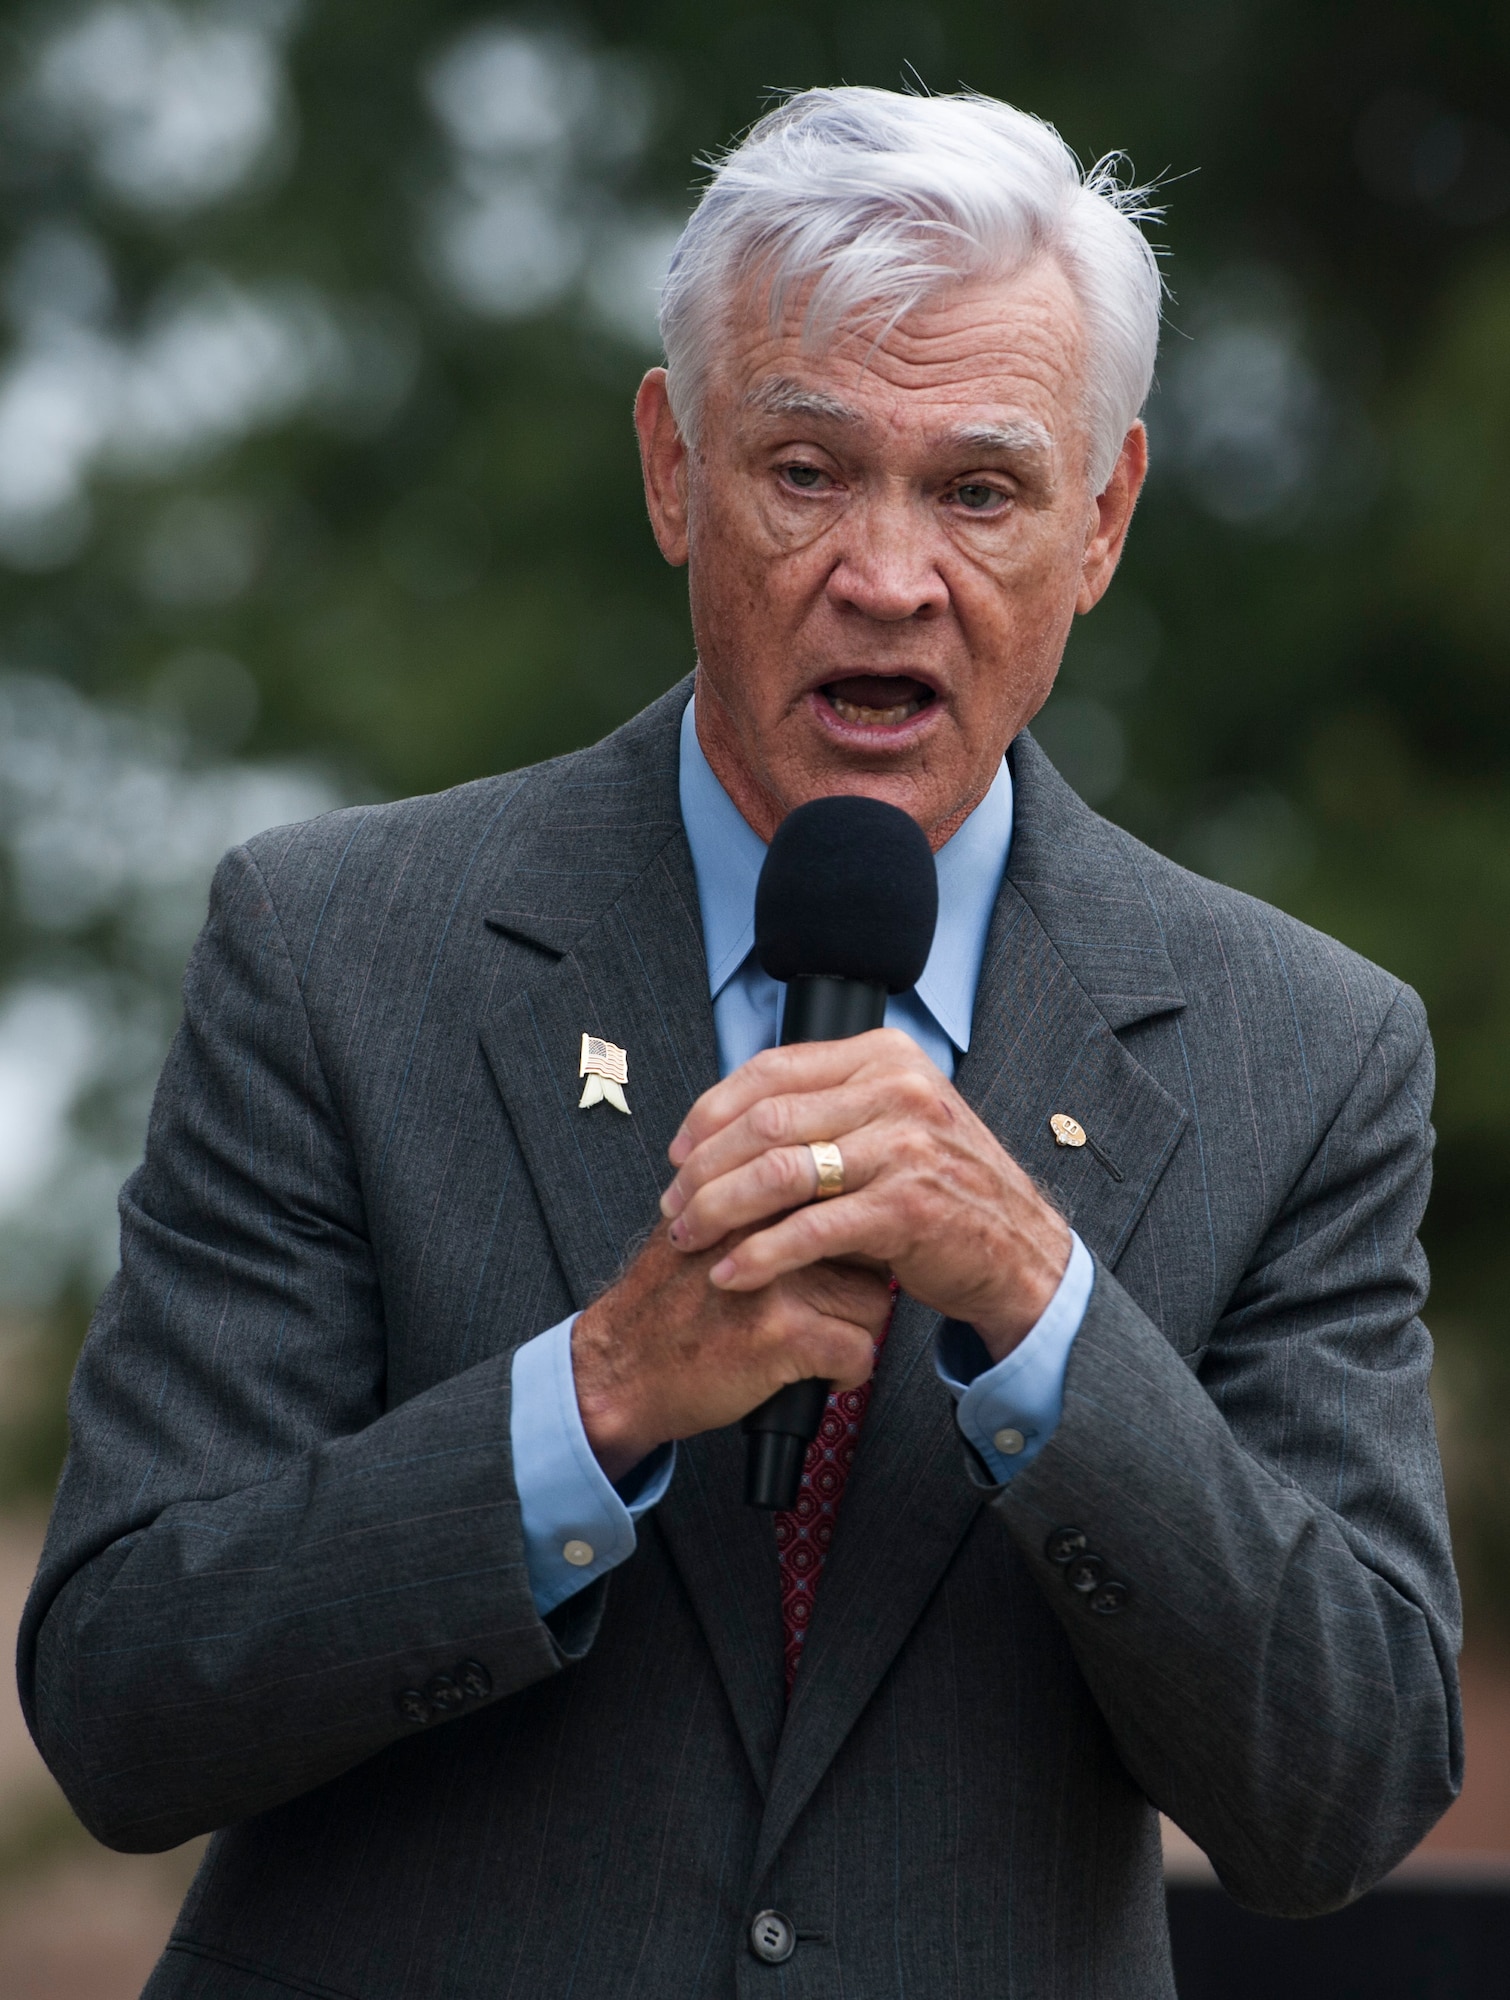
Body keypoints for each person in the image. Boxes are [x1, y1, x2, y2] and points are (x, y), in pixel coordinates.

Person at [20, 87, 1459, 1998]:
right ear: (670, 468)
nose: (886, 574)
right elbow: (125, 1703)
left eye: (975, 489)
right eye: (804, 472)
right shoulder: (335, 949)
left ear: (1099, 519)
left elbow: (1340, 1796)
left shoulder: (1306, 1053)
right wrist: (598, 1393)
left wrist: (1042, 1310)